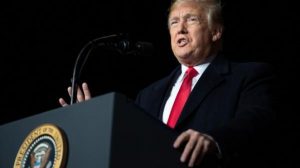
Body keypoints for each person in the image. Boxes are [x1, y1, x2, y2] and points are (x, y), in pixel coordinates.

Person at [59, 0, 277, 167]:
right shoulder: (148, 95)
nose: (180, 29)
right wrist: (91, 124)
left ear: (215, 31)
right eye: (174, 22)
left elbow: (256, 120)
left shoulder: (248, 75)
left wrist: (213, 140)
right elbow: (129, 145)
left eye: (191, 19)